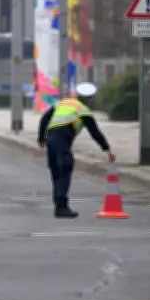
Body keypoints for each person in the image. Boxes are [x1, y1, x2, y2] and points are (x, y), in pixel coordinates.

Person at [37, 82, 115, 218]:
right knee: (65, 168)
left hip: (51, 138)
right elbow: (95, 132)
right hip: (62, 139)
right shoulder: (83, 110)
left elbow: (44, 118)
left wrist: (41, 137)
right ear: (89, 99)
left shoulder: (62, 103)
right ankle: (61, 207)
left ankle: (59, 205)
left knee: (56, 171)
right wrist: (107, 148)